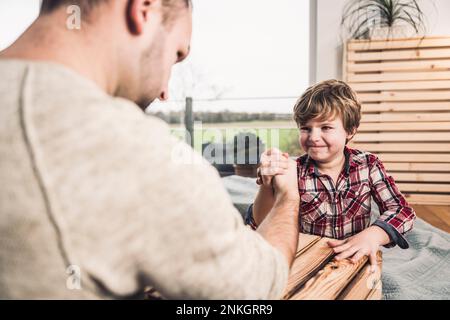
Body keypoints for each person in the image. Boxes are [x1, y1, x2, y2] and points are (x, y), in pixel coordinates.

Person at [0, 0, 300, 299]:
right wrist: (288, 199)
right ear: (143, 10)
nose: (165, 91)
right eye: (175, 54)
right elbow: (251, 291)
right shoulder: (138, 150)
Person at [247, 79, 416, 271]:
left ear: (350, 131)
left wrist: (373, 235)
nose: (313, 137)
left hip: (354, 258)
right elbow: (260, 223)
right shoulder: (293, 170)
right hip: (305, 257)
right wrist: (266, 184)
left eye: (325, 127)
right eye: (306, 128)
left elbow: (402, 210)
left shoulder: (368, 165)